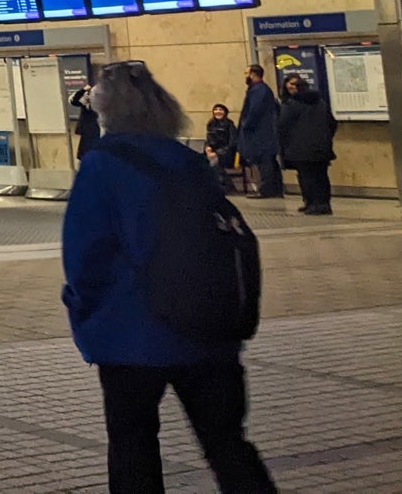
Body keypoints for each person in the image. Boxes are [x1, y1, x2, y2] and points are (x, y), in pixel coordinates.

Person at [61, 61, 276, 493]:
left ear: (106, 111)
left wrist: (84, 314)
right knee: (227, 444)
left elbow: (85, 254)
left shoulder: (102, 165)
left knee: (133, 446)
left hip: (129, 333)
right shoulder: (187, 161)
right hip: (208, 324)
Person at [277, 75, 337, 216]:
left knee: (306, 176)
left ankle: (312, 203)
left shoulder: (291, 105)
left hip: (300, 147)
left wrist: (286, 143)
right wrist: (326, 138)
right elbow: (332, 123)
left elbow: (282, 126)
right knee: (321, 175)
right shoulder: (320, 102)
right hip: (321, 146)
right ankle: (324, 204)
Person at [235, 65, 281, 199]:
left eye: (246, 73)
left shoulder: (258, 90)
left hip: (260, 133)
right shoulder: (261, 89)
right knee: (269, 161)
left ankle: (267, 189)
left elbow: (254, 111)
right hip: (264, 132)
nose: (245, 76)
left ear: (253, 74)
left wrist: (246, 125)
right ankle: (275, 189)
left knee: (264, 162)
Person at [70, 83, 102, 161]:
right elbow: (74, 100)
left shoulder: (98, 104)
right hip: (85, 130)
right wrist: (83, 90)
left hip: (95, 130)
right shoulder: (84, 103)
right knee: (83, 151)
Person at [204, 104, 238, 173]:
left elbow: (232, 144)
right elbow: (208, 139)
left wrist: (217, 153)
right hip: (212, 152)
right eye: (216, 109)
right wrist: (207, 147)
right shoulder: (211, 124)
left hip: (226, 154)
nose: (218, 111)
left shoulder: (230, 125)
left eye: (220, 110)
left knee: (213, 162)